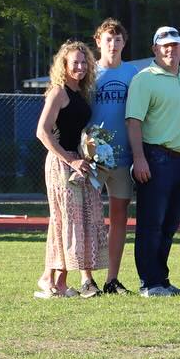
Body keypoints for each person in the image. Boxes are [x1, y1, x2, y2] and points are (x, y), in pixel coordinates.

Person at [125, 26, 180, 297]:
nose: (171, 50)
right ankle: (149, 282)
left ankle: (162, 279)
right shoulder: (144, 79)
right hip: (155, 157)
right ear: (155, 49)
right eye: (165, 45)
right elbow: (133, 121)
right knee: (151, 223)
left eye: (175, 45)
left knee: (169, 225)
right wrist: (139, 158)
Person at [34, 41, 104, 298]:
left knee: (76, 220)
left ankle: (60, 282)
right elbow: (42, 132)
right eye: (75, 62)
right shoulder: (58, 92)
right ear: (63, 64)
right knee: (63, 219)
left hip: (79, 162)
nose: (80, 67)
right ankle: (48, 278)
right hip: (61, 164)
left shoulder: (80, 93)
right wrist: (69, 160)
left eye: (84, 62)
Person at [90, 19, 139, 294]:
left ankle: (112, 279)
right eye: (108, 39)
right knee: (88, 216)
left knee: (119, 217)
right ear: (98, 42)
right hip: (93, 158)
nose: (113, 44)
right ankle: (87, 278)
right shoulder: (88, 71)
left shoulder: (133, 73)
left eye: (117, 39)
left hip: (122, 157)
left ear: (124, 43)